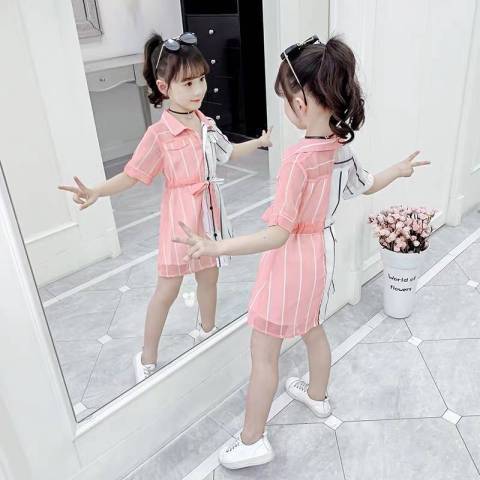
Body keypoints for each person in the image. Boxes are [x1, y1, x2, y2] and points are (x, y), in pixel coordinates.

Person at [174, 35, 430, 469]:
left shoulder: (297, 159)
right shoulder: (341, 147)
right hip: (320, 255)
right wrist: (399, 170)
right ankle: (317, 396)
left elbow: (278, 235)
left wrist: (215, 245)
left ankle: (252, 439)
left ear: (301, 102)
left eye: (286, 98)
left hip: (290, 260)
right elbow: (368, 185)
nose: (286, 107)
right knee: (312, 326)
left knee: (264, 353)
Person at [58, 32, 272, 384]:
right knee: (168, 290)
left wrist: (260, 142)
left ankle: (207, 331)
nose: (198, 89)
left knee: (209, 277)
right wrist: (97, 191)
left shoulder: (206, 123)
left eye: (201, 79)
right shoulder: (158, 135)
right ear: (163, 87)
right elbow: (132, 175)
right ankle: (147, 356)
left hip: (209, 215)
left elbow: (229, 152)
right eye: (188, 83)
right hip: (180, 219)